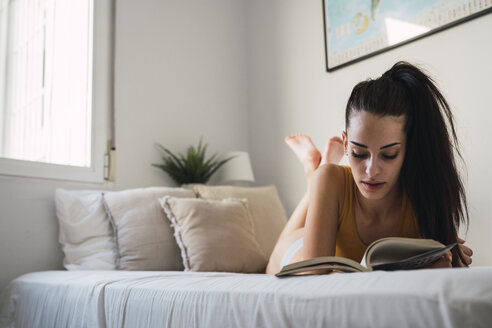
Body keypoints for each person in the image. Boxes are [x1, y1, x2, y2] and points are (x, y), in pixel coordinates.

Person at [266, 61, 473, 274]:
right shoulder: (331, 180)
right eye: (359, 153)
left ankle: (314, 175)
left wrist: (444, 258)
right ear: (346, 144)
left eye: (389, 155)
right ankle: (313, 175)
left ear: (408, 149)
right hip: (295, 251)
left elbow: (442, 261)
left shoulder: (422, 194)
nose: (372, 170)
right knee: (270, 263)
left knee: (323, 180)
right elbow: (313, 280)